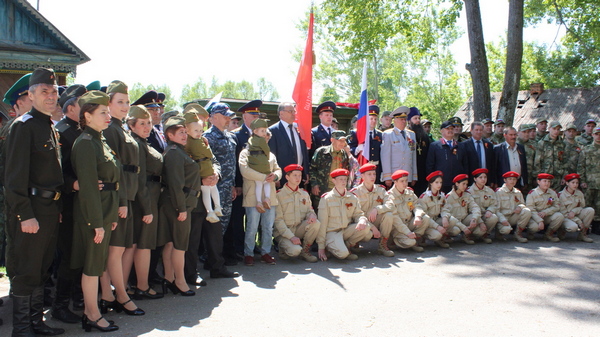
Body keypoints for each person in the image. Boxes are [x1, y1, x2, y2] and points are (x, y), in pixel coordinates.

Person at [4, 68, 65, 336]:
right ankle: (21, 329)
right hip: (31, 210)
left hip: (49, 209)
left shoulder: (49, 126)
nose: (51, 96)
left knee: (41, 268)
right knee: (26, 270)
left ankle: (36, 323)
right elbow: (14, 178)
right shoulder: (23, 126)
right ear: (31, 94)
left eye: (54, 92)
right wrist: (24, 214)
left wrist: (57, 208)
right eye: (44, 92)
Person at [70, 90, 120, 332]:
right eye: (103, 113)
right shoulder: (86, 144)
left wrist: (108, 218)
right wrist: (96, 222)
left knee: (98, 265)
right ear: (87, 116)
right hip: (93, 215)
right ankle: (91, 313)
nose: (108, 116)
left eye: (108, 112)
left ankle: (94, 310)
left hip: (104, 212)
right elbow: (89, 188)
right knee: (92, 266)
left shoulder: (100, 140)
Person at [99, 81, 144, 316]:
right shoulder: (110, 129)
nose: (125, 106)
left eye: (127, 102)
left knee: (117, 250)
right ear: (108, 103)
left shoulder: (119, 128)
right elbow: (113, 170)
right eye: (120, 102)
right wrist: (122, 201)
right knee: (114, 251)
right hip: (119, 198)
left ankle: (108, 295)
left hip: (127, 195)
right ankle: (120, 296)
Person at [52, 84, 87, 323]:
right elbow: (56, 173)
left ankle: (78, 298)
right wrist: (73, 185)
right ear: (71, 107)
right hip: (68, 203)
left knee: (80, 254)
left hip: (82, 203)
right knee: (69, 256)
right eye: (83, 105)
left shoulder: (79, 130)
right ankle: (60, 305)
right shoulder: (63, 131)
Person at [126, 105, 164, 300]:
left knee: (143, 245)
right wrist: (147, 208)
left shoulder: (142, 142)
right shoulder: (137, 144)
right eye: (142, 123)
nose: (147, 126)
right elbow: (139, 180)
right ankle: (141, 286)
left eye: (149, 122)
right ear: (131, 125)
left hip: (151, 197)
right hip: (145, 200)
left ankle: (137, 285)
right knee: (143, 245)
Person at [159, 116, 199, 297]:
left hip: (176, 202)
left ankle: (169, 278)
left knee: (171, 243)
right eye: (180, 132)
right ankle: (180, 281)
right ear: (169, 134)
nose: (185, 135)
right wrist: (181, 208)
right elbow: (175, 184)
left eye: (185, 132)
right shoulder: (174, 153)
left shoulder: (178, 151)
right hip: (178, 203)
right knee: (179, 245)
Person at [201, 103, 240, 278]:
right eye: (225, 116)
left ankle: (213, 260)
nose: (228, 119)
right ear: (214, 117)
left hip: (226, 188)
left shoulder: (230, 137)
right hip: (213, 189)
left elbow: (231, 164)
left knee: (222, 226)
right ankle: (214, 262)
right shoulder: (208, 137)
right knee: (213, 226)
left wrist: (232, 185)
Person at [239, 129, 282, 265]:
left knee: (268, 226)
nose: (265, 141)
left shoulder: (271, 155)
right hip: (253, 196)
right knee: (252, 226)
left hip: (269, 196)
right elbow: (245, 171)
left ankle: (266, 252)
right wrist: (265, 177)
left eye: (267, 139)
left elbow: (278, 169)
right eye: (263, 138)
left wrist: (275, 176)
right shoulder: (245, 153)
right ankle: (249, 253)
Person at [316, 169, 373, 261]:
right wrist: (321, 247)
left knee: (366, 227)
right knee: (342, 254)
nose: (343, 182)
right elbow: (322, 224)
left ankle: (346, 246)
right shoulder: (326, 199)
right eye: (340, 179)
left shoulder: (352, 197)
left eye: (345, 179)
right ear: (333, 181)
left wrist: (362, 220)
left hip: (346, 230)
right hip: (332, 232)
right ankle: (331, 247)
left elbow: (358, 214)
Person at [382, 170, 442, 252]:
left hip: (408, 224)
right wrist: (407, 232)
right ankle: (394, 240)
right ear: (395, 182)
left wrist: (417, 216)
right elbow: (395, 219)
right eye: (402, 181)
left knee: (425, 218)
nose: (405, 183)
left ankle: (415, 239)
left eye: (406, 180)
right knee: (410, 242)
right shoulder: (389, 196)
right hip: (397, 228)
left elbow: (417, 206)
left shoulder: (409, 192)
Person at [273, 164, 319, 262]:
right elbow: (278, 221)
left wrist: (311, 215)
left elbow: (310, 211)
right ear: (287, 177)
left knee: (316, 223)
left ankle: (305, 251)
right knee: (294, 251)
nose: (298, 178)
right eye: (295, 175)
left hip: (298, 229)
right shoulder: (279, 195)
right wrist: (291, 237)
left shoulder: (304, 194)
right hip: (284, 232)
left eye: (300, 175)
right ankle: (283, 248)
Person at [183, 109, 222, 223]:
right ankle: (212, 210)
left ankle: (216, 208)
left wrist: (216, 174)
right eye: (196, 130)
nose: (200, 132)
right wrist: (201, 180)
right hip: (192, 193)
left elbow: (213, 160)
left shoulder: (202, 140)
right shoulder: (187, 143)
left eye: (201, 129)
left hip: (208, 172)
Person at [350, 164, 391, 256]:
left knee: (389, 215)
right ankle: (354, 242)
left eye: (374, 174)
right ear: (362, 176)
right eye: (369, 174)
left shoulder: (381, 190)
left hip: (374, 219)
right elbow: (353, 215)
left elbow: (390, 205)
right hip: (361, 222)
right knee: (364, 230)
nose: (373, 177)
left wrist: (377, 209)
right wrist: (372, 227)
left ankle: (382, 244)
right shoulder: (355, 192)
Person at [268, 102, 309, 186]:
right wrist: (275, 176)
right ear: (281, 113)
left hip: (299, 177)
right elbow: (271, 155)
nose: (294, 114)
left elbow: (304, 152)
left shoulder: (299, 129)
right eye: (291, 111)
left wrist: (306, 172)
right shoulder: (273, 131)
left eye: (294, 111)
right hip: (283, 177)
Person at [309, 130, 352, 208]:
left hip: (338, 189)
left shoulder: (344, 154)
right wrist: (314, 185)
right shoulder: (321, 152)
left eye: (344, 141)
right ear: (332, 140)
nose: (342, 143)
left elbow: (346, 171)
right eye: (339, 140)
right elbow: (312, 169)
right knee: (320, 211)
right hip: (322, 188)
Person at [442, 174, 486, 244]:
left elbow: (475, 207)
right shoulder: (449, 197)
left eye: (466, 184)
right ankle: (446, 236)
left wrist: (475, 220)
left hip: (464, 220)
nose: (465, 186)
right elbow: (448, 215)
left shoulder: (467, 195)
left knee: (481, 231)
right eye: (463, 184)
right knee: (455, 230)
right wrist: (463, 227)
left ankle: (466, 236)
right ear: (457, 184)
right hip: (455, 222)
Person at [381, 106, 417, 188]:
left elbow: (413, 155)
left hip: (408, 175)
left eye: (405, 119)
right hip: (395, 176)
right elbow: (385, 157)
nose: (404, 121)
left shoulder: (411, 134)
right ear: (395, 120)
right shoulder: (388, 134)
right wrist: (387, 177)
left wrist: (414, 175)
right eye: (401, 119)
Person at [426, 121, 466, 193]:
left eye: (452, 129)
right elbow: (430, 165)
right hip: (441, 183)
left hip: (457, 183)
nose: (450, 130)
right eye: (448, 129)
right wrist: (433, 181)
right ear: (442, 131)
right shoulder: (435, 146)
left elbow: (465, 164)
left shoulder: (461, 146)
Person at [417, 171, 455, 248]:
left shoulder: (441, 195)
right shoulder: (424, 197)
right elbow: (425, 217)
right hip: (427, 224)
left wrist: (444, 217)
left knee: (452, 220)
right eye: (436, 182)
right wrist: (437, 227)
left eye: (440, 182)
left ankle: (441, 239)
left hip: (435, 220)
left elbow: (445, 208)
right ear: (431, 183)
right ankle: (423, 236)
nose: (439, 185)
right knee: (437, 235)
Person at [347, 105, 383, 183]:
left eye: (375, 119)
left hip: (376, 169)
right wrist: (357, 149)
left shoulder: (380, 134)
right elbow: (350, 150)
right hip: (363, 167)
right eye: (371, 119)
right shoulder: (357, 133)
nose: (373, 121)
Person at [495, 171, 532, 243]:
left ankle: (518, 234)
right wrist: (502, 220)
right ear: (505, 180)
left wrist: (520, 207)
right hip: (503, 218)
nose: (512, 181)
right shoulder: (499, 192)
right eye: (510, 179)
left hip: (513, 216)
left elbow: (522, 203)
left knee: (527, 211)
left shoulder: (517, 192)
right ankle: (498, 233)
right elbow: (496, 209)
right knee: (506, 230)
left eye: (514, 179)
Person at [526, 173, 564, 242]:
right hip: (535, 217)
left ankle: (548, 234)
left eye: (549, 181)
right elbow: (530, 209)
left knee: (559, 216)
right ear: (538, 182)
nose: (547, 183)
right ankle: (530, 233)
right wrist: (539, 220)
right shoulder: (532, 193)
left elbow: (556, 206)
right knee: (534, 227)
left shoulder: (552, 193)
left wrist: (546, 212)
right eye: (545, 181)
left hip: (546, 215)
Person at [245, 118, 274, 213]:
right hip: (262, 164)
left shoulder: (250, 139)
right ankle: (267, 198)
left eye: (265, 131)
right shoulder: (261, 140)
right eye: (262, 131)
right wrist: (267, 156)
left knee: (258, 184)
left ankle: (258, 201)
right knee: (266, 181)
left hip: (253, 163)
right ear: (255, 131)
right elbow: (266, 149)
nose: (264, 133)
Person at [558, 173, 594, 242]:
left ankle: (583, 234)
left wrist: (574, 211)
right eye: (573, 183)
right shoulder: (561, 195)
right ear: (567, 183)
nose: (575, 185)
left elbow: (582, 207)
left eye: (577, 183)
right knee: (573, 228)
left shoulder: (579, 193)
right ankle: (561, 230)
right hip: (565, 217)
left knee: (590, 210)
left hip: (575, 215)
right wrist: (579, 221)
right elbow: (563, 213)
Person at [458, 121, 495, 187]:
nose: (479, 132)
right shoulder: (464, 145)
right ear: (471, 130)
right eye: (476, 130)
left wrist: (492, 180)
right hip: (471, 180)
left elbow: (492, 164)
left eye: (480, 130)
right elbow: (463, 164)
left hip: (486, 180)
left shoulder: (488, 145)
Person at [577, 127, 600, 234]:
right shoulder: (586, 149)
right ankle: (584, 227)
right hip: (589, 182)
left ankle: (596, 227)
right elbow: (581, 166)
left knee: (599, 205)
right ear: (593, 135)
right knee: (586, 205)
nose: (598, 136)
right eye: (596, 134)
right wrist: (582, 180)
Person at [467, 168, 498, 243]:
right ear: (475, 179)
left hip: (484, 215)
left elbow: (494, 203)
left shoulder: (489, 190)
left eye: (485, 177)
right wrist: (481, 222)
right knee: (473, 219)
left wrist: (490, 210)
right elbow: (469, 209)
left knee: (493, 217)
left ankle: (485, 235)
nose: (483, 179)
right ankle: (468, 235)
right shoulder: (469, 191)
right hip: (473, 216)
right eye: (480, 177)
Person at [534, 121, 566, 190]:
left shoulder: (562, 144)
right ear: (549, 129)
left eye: (558, 129)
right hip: (545, 176)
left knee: (555, 198)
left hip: (558, 177)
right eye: (554, 129)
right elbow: (537, 162)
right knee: (545, 198)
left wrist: (564, 176)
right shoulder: (542, 143)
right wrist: (538, 177)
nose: (556, 131)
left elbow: (565, 161)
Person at [407, 107, 430, 195]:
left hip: (423, 172)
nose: (418, 121)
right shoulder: (407, 135)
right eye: (415, 118)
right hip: (411, 172)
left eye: (419, 118)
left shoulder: (424, 137)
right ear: (409, 120)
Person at [516, 123, 537, 193]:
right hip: (516, 178)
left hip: (530, 178)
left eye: (528, 132)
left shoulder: (534, 145)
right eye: (524, 132)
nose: (526, 134)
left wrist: (535, 177)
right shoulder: (514, 144)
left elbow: (537, 161)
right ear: (518, 133)